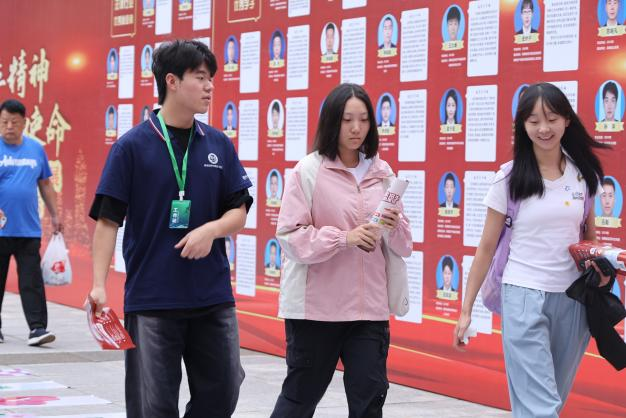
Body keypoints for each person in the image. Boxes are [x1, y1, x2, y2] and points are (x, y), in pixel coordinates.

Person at [88, 40, 253, 418]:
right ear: (172, 81)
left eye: (211, 78)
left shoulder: (218, 143)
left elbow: (239, 211)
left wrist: (211, 230)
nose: (210, 86)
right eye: (200, 77)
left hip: (212, 295)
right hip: (153, 298)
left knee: (224, 390)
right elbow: (108, 220)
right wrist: (98, 284)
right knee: (153, 406)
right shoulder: (131, 147)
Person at [454, 83, 611, 418]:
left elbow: (589, 237)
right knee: (541, 408)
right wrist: (466, 310)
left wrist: (602, 264)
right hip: (522, 295)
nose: (544, 129)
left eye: (551, 119)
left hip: (572, 300)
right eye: (534, 121)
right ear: (522, 126)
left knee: (549, 400)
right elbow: (486, 248)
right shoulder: (508, 179)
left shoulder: (582, 176)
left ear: (566, 120)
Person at [270, 83, 412, 417]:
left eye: (363, 120)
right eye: (347, 119)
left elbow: (404, 246)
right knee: (299, 400)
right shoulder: (308, 171)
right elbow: (290, 236)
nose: (356, 128)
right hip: (316, 311)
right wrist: (344, 238)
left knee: (369, 402)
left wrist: (394, 226)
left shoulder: (382, 173)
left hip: (369, 311)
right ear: (332, 121)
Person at [0, 99, 61, 346]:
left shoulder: (36, 149)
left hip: (28, 229)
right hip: (0, 231)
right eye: (4, 122)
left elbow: (45, 184)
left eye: (14, 122)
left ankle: (37, 328)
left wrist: (55, 214)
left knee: (31, 281)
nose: (9, 127)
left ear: (24, 123)